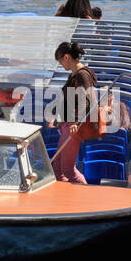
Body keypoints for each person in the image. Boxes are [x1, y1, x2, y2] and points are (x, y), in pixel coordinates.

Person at [49, 41, 97, 184]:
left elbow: (86, 101)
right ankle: (64, 199)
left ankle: (84, 194)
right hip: (68, 123)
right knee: (58, 168)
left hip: (73, 126)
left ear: (67, 57)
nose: (61, 66)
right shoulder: (75, 75)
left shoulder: (81, 75)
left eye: (60, 61)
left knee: (68, 169)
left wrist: (76, 122)